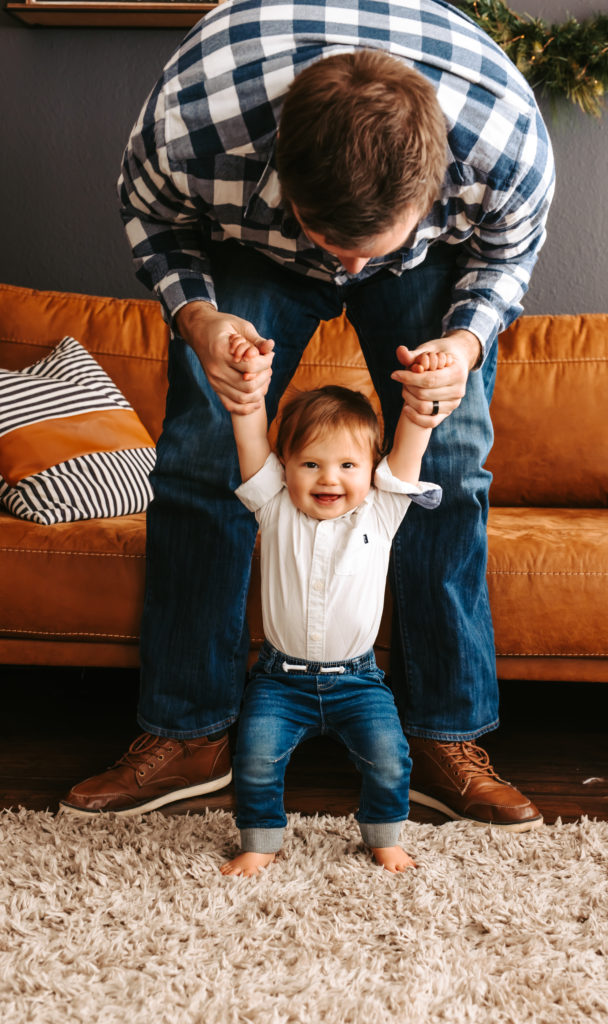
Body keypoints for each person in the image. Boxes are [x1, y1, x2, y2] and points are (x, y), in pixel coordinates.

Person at [60, 0, 555, 830]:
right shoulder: (193, 123)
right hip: (251, 253)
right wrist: (197, 317)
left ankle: (443, 734)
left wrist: (464, 347)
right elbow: (150, 218)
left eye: (371, 246)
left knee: (451, 464)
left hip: (430, 269)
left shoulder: (504, 143)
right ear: (281, 177)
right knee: (199, 456)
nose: (350, 268)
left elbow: (507, 255)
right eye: (331, 239)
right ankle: (187, 733)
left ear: (434, 186)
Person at [221, 342, 450, 876]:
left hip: (359, 680)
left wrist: (421, 403)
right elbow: (251, 434)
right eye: (311, 464)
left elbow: (412, 446)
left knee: (390, 760)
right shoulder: (274, 506)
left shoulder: (382, 511)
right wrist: (249, 391)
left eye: (348, 464)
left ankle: (385, 837)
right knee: (254, 760)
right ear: (284, 469)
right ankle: (259, 841)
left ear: (373, 469)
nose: (329, 478)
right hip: (279, 681)